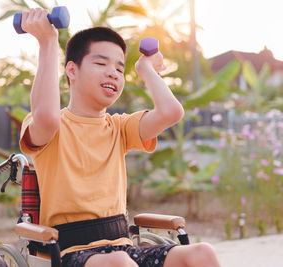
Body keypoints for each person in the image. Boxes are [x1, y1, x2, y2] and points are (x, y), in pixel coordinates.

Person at [18, 7, 221, 267]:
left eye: (119, 68)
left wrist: (146, 69)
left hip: (121, 247)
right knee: (120, 263)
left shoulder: (119, 128)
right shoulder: (50, 126)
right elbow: (45, 116)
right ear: (72, 70)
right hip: (69, 252)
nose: (113, 73)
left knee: (201, 253)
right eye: (101, 63)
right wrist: (47, 41)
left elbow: (171, 112)